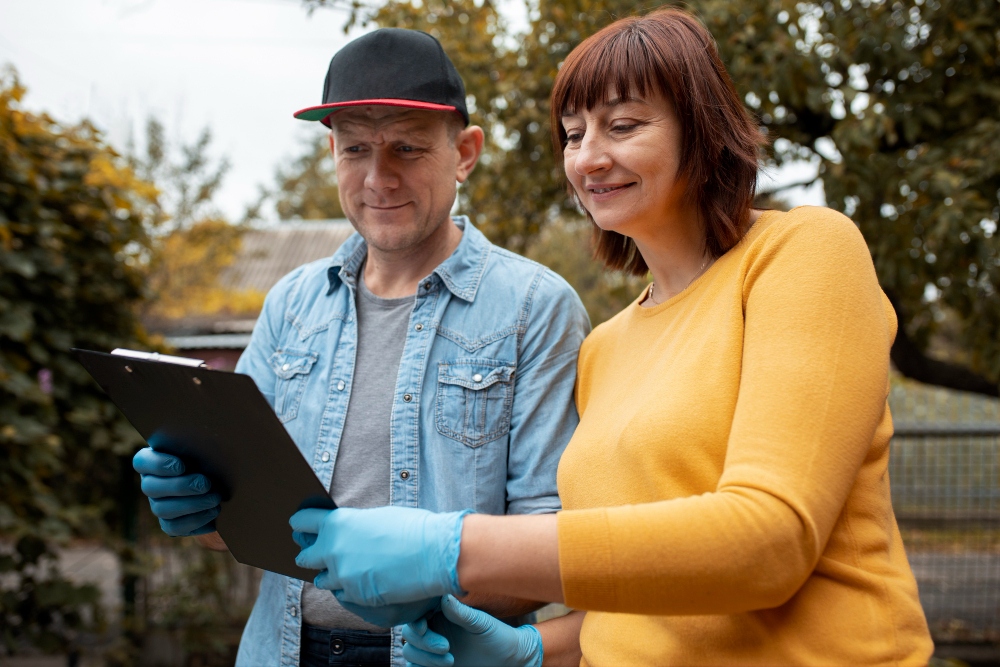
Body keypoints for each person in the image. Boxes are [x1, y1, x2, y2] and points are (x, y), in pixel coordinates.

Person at [286, 9, 936, 666]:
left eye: (623, 126)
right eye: (573, 134)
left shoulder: (803, 253)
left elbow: (769, 542)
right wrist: (533, 650)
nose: (589, 156)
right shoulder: (605, 347)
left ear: (704, 130)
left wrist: (451, 547)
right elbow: (632, 591)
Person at [131, 27, 590, 667]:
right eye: (355, 150)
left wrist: (428, 568)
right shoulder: (291, 305)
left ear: (464, 152)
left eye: (406, 147)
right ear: (332, 153)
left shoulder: (535, 309)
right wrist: (201, 509)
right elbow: (239, 530)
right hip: (280, 651)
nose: (379, 177)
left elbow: (556, 549)